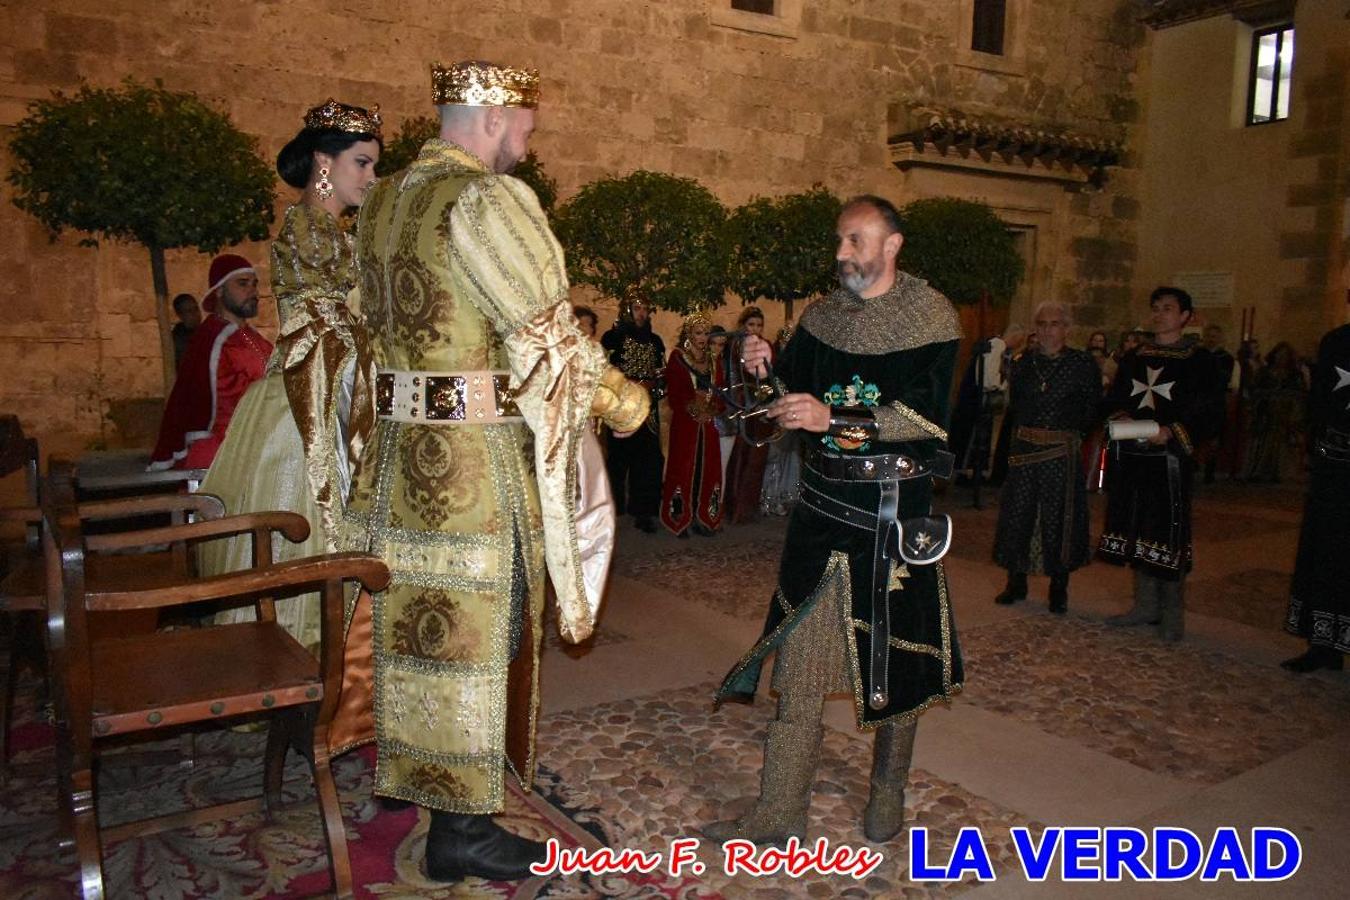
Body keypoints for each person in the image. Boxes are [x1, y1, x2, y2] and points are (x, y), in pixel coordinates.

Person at [342, 60, 648, 883]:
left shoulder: (384, 201)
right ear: (490, 116)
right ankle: (463, 829)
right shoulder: (484, 199)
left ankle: (419, 784)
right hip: (474, 472)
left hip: (401, 464)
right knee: (481, 636)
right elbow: (545, 335)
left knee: (417, 635)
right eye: (525, 125)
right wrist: (623, 401)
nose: (526, 142)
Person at [706, 195, 963, 846]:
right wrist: (764, 372)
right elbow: (786, 401)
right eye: (840, 241)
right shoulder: (822, 318)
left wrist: (836, 419)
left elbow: (926, 422)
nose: (842, 253)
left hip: (892, 518)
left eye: (855, 240)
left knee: (897, 664)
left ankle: (887, 789)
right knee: (800, 672)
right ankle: (779, 811)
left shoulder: (930, 317)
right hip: (821, 516)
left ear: (892, 245)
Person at [199, 99, 383, 650]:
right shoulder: (309, 231)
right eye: (362, 163)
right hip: (313, 394)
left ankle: (333, 676)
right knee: (314, 520)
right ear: (324, 164)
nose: (372, 178)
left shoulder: (338, 234)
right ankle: (302, 668)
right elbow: (334, 323)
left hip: (337, 382)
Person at [1100, 287, 1224, 641]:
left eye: (1168, 309)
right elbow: (1118, 397)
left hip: (1169, 461)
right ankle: (1144, 605)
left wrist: (1173, 431)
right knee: (1136, 526)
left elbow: (1210, 409)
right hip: (1134, 458)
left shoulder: (1200, 362)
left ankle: (1171, 614)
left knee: (1167, 530)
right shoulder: (1135, 358)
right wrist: (1122, 419)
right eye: (1156, 308)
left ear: (1186, 316)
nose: (1160, 315)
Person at [992, 302, 1101, 613]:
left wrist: (1071, 436)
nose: (1048, 330)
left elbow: (1092, 409)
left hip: (1060, 453)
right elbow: (1016, 410)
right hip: (1026, 451)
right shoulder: (1024, 364)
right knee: (1019, 515)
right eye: (1042, 324)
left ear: (1066, 328)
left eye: (1054, 324)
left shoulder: (1082, 365)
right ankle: (1016, 581)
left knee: (1059, 518)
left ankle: (1059, 587)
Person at [149, 254, 273, 470]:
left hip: (259, 441)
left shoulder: (252, 336)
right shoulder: (211, 337)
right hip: (224, 451)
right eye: (242, 284)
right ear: (219, 290)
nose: (253, 291)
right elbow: (205, 402)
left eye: (254, 284)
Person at [1282, 322, 1350, 672]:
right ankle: (1323, 645)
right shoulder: (1336, 340)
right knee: (1325, 555)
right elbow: (1323, 399)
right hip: (1334, 470)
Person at [601, 298, 666, 533]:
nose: (642, 313)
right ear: (627, 310)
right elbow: (605, 372)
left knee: (648, 461)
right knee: (618, 460)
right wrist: (629, 389)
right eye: (637, 308)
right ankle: (614, 508)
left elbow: (661, 373)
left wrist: (653, 387)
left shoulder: (655, 341)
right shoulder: (612, 338)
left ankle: (644, 512)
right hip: (620, 408)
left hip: (648, 409)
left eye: (645, 308)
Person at [661, 310, 723, 537]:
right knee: (683, 470)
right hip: (686, 426)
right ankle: (680, 518)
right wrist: (694, 409)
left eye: (706, 333)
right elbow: (675, 393)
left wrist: (712, 409)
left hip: (708, 426)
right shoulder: (678, 358)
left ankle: (703, 517)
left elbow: (721, 391)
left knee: (707, 471)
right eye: (698, 332)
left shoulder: (714, 360)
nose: (703, 337)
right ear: (688, 333)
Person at [723, 306, 773, 524]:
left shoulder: (766, 346)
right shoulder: (735, 347)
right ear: (743, 325)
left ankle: (749, 508)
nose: (755, 329)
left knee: (758, 458)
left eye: (759, 325)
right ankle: (734, 507)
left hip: (762, 406)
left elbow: (773, 375)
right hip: (743, 404)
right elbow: (730, 377)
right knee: (740, 456)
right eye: (751, 324)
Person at [1241, 341, 1306, 483]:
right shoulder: (1264, 372)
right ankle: (1258, 472)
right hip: (1265, 414)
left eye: (1284, 355)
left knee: (1280, 445)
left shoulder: (1294, 375)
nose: (1281, 358)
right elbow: (1254, 390)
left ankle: (1277, 473)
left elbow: (1299, 394)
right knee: (1262, 443)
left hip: (1284, 416)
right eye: (1279, 355)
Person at [1199, 324, 1236, 483]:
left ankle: (1209, 470)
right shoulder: (1198, 355)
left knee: (1214, 437)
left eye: (1214, 336)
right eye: (1209, 335)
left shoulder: (1226, 358)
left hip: (1215, 401)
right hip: (1198, 400)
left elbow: (1223, 379)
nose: (1211, 339)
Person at [171, 293, 202, 370]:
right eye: (189, 311)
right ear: (180, 315)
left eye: (196, 309)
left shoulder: (206, 332)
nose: (195, 314)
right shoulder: (177, 338)